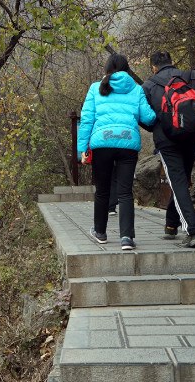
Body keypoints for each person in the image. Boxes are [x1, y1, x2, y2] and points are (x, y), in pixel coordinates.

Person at [142, 51, 195, 247]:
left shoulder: (148, 86)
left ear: (153, 67)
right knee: (181, 180)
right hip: (194, 136)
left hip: (167, 141)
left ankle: (194, 230)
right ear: (172, 63)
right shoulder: (191, 77)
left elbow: (142, 115)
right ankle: (171, 225)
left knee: (177, 181)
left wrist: (157, 126)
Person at [78, 53, 156, 250]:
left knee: (102, 191)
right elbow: (148, 118)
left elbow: (87, 120)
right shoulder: (136, 89)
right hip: (127, 144)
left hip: (101, 144)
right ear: (127, 69)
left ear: (106, 68)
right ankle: (127, 238)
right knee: (125, 192)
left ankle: (100, 232)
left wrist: (82, 149)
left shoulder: (96, 88)